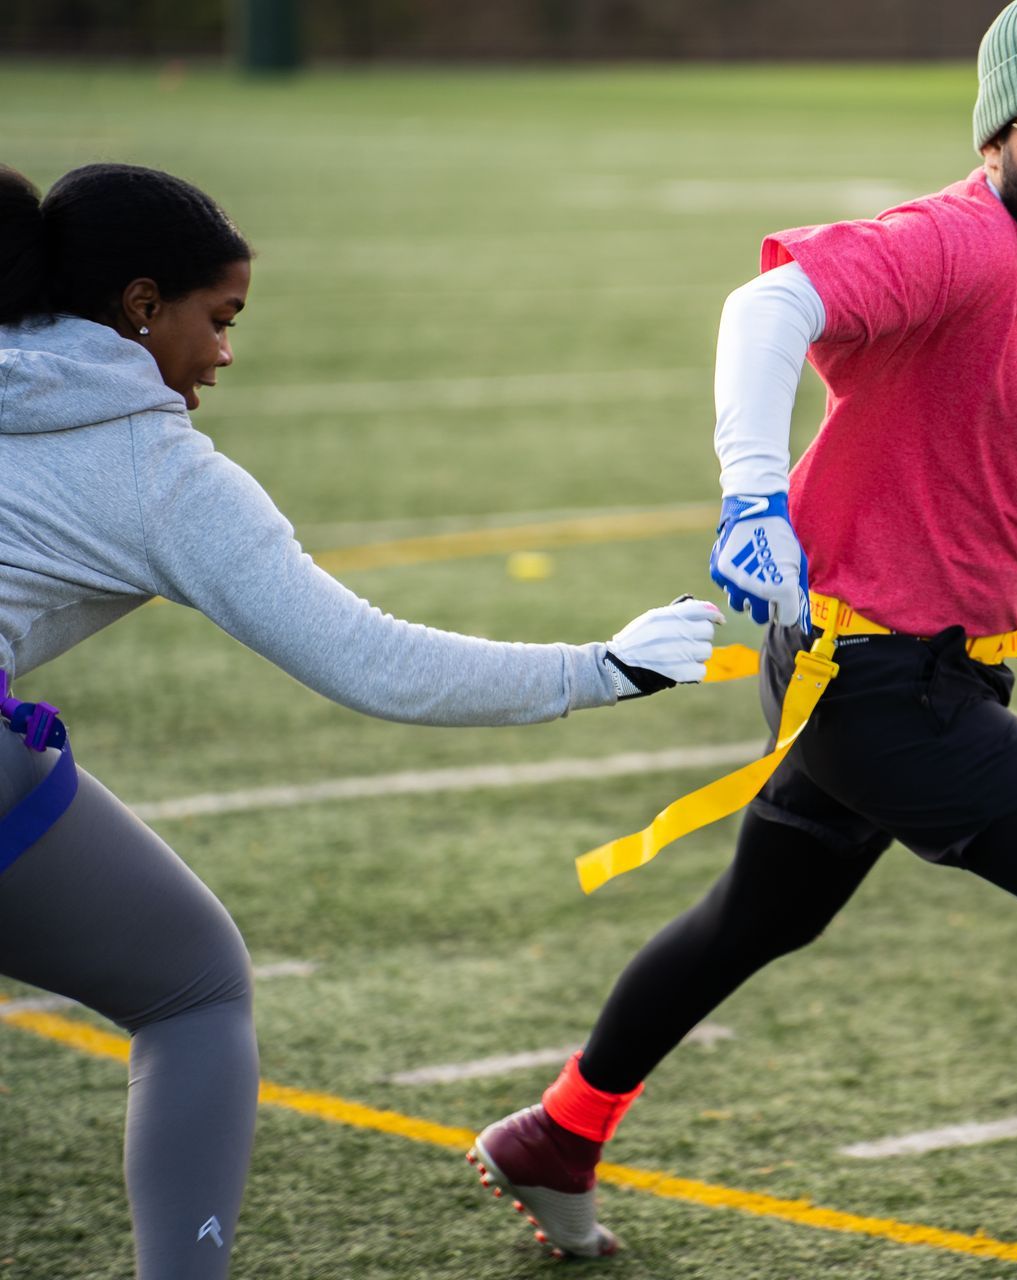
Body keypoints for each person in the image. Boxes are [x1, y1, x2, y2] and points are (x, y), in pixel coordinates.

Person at [468, 3, 1017, 1277]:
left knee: (766, 910)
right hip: (873, 670)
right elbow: (766, 306)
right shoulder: (953, 242)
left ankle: (558, 1131)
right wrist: (751, 486)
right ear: (994, 139)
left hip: (944, 655)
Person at [0, 161, 722, 1280]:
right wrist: (603, 668)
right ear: (141, 305)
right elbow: (374, 662)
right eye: (219, 319)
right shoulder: (156, 471)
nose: (227, 353)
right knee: (194, 986)